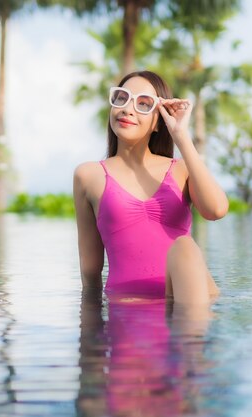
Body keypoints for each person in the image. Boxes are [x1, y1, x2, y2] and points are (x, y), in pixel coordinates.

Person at [73, 70, 228, 304]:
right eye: (121, 98)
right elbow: (90, 272)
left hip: (187, 300)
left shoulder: (181, 169)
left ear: (159, 121)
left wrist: (181, 136)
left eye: (143, 104)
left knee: (184, 247)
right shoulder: (88, 175)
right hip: (127, 306)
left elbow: (216, 210)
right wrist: (91, 336)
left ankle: (190, 339)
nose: (127, 108)